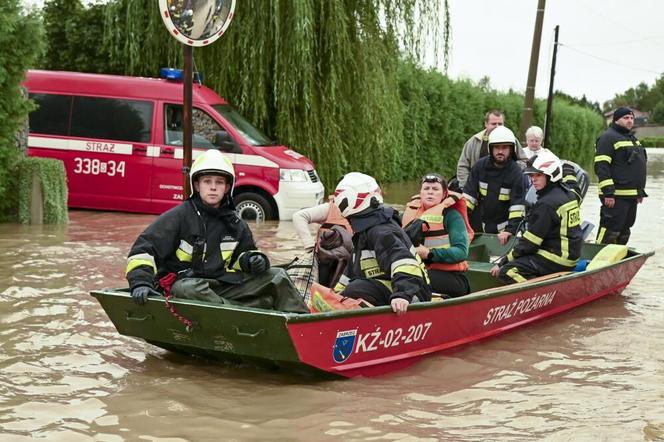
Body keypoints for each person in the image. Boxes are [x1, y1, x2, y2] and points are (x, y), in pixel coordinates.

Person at [125, 149, 308, 313]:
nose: (213, 187)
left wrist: (253, 260)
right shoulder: (178, 216)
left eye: (219, 182)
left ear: (227, 187)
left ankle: (302, 324)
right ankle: (247, 311)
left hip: (222, 284)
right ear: (197, 185)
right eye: (207, 181)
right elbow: (143, 251)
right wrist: (140, 283)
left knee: (277, 275)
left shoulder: (236, 222)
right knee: (187, 289)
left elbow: (241, 256)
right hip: (188, 286)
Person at [332, 172, 431, 315]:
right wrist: (335, 296)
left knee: (357, 288)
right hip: (393, 288)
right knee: (352, 287)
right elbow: (350, 274)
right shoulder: (364, 232)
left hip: (412, 295)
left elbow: (405, 263)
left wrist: (402, 295)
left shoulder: (382, 231)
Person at [490, 151, 583, 283]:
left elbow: (529, 244)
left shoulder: (546, 204)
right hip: (570, 257)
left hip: (556, 259)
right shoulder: (569, 194)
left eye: (538, 175)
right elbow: (574, 187)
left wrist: (502, 263)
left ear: (551, 176)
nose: (533, 180)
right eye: (532, 175)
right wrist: (568, 171)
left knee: (507, 271)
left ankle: (540, 293)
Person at [402, 173, 474, 298]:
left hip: (451, 278)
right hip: (416, 270)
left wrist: (428, 253)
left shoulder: (452, 216)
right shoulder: (409, 213)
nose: (430, 192)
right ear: (420, 193)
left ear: (444, 194)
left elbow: (461, 252)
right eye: (426, 189)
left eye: (435, 189)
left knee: (413, 278)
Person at [462, 126, 527, 244]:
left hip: (504, 234)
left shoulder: (516, 173)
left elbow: (517, 206)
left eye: (504, 148)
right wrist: (461, 224)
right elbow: (468, 197)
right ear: (490, 148)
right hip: (479, 228)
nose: (500, 151)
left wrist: (510, 231)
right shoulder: (480, 166)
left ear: (511, 150)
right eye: (497, 147)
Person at [594, 107, 648, 245]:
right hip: (615, 196)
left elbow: (638, 166)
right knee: (610, 230)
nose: (630, 121)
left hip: (631, 196)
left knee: (624, 231)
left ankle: (617, 261)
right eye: (626, 118)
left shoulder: (632, 139)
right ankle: (595, 256)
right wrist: (608, 193)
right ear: (616, 120)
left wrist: (639, 192)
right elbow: (602, 166)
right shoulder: (607, 138)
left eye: (631, 118)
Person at [456, 110, 527, 189]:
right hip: (477, 190)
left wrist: (511, 170)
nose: (497, 126)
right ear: (486, 124)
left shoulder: (512, 140)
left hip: (505, 189)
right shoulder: (474, 141)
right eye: (493, 124)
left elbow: (524, 161)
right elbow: (463, 166)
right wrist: (466, 187)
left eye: (500, 124)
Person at [292, 200, 353, 287]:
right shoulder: (330, 208)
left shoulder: (370, 214)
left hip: (348, 266)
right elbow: (298, 216)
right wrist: (310, 246)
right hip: (325, 264)